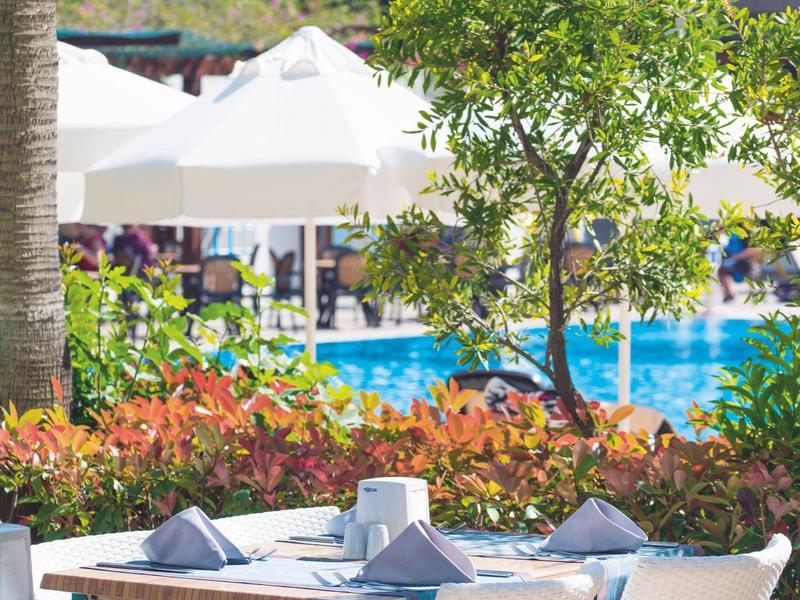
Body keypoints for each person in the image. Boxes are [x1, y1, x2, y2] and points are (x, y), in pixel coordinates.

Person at [718, 232, 761, 302]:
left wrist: (738, 256)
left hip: (745, 261)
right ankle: (729, 294)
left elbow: (756, 249)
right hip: (730, 261)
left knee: (754, 268)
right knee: (722, 270)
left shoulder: (747, 233)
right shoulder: (726, 234)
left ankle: (754, 292)